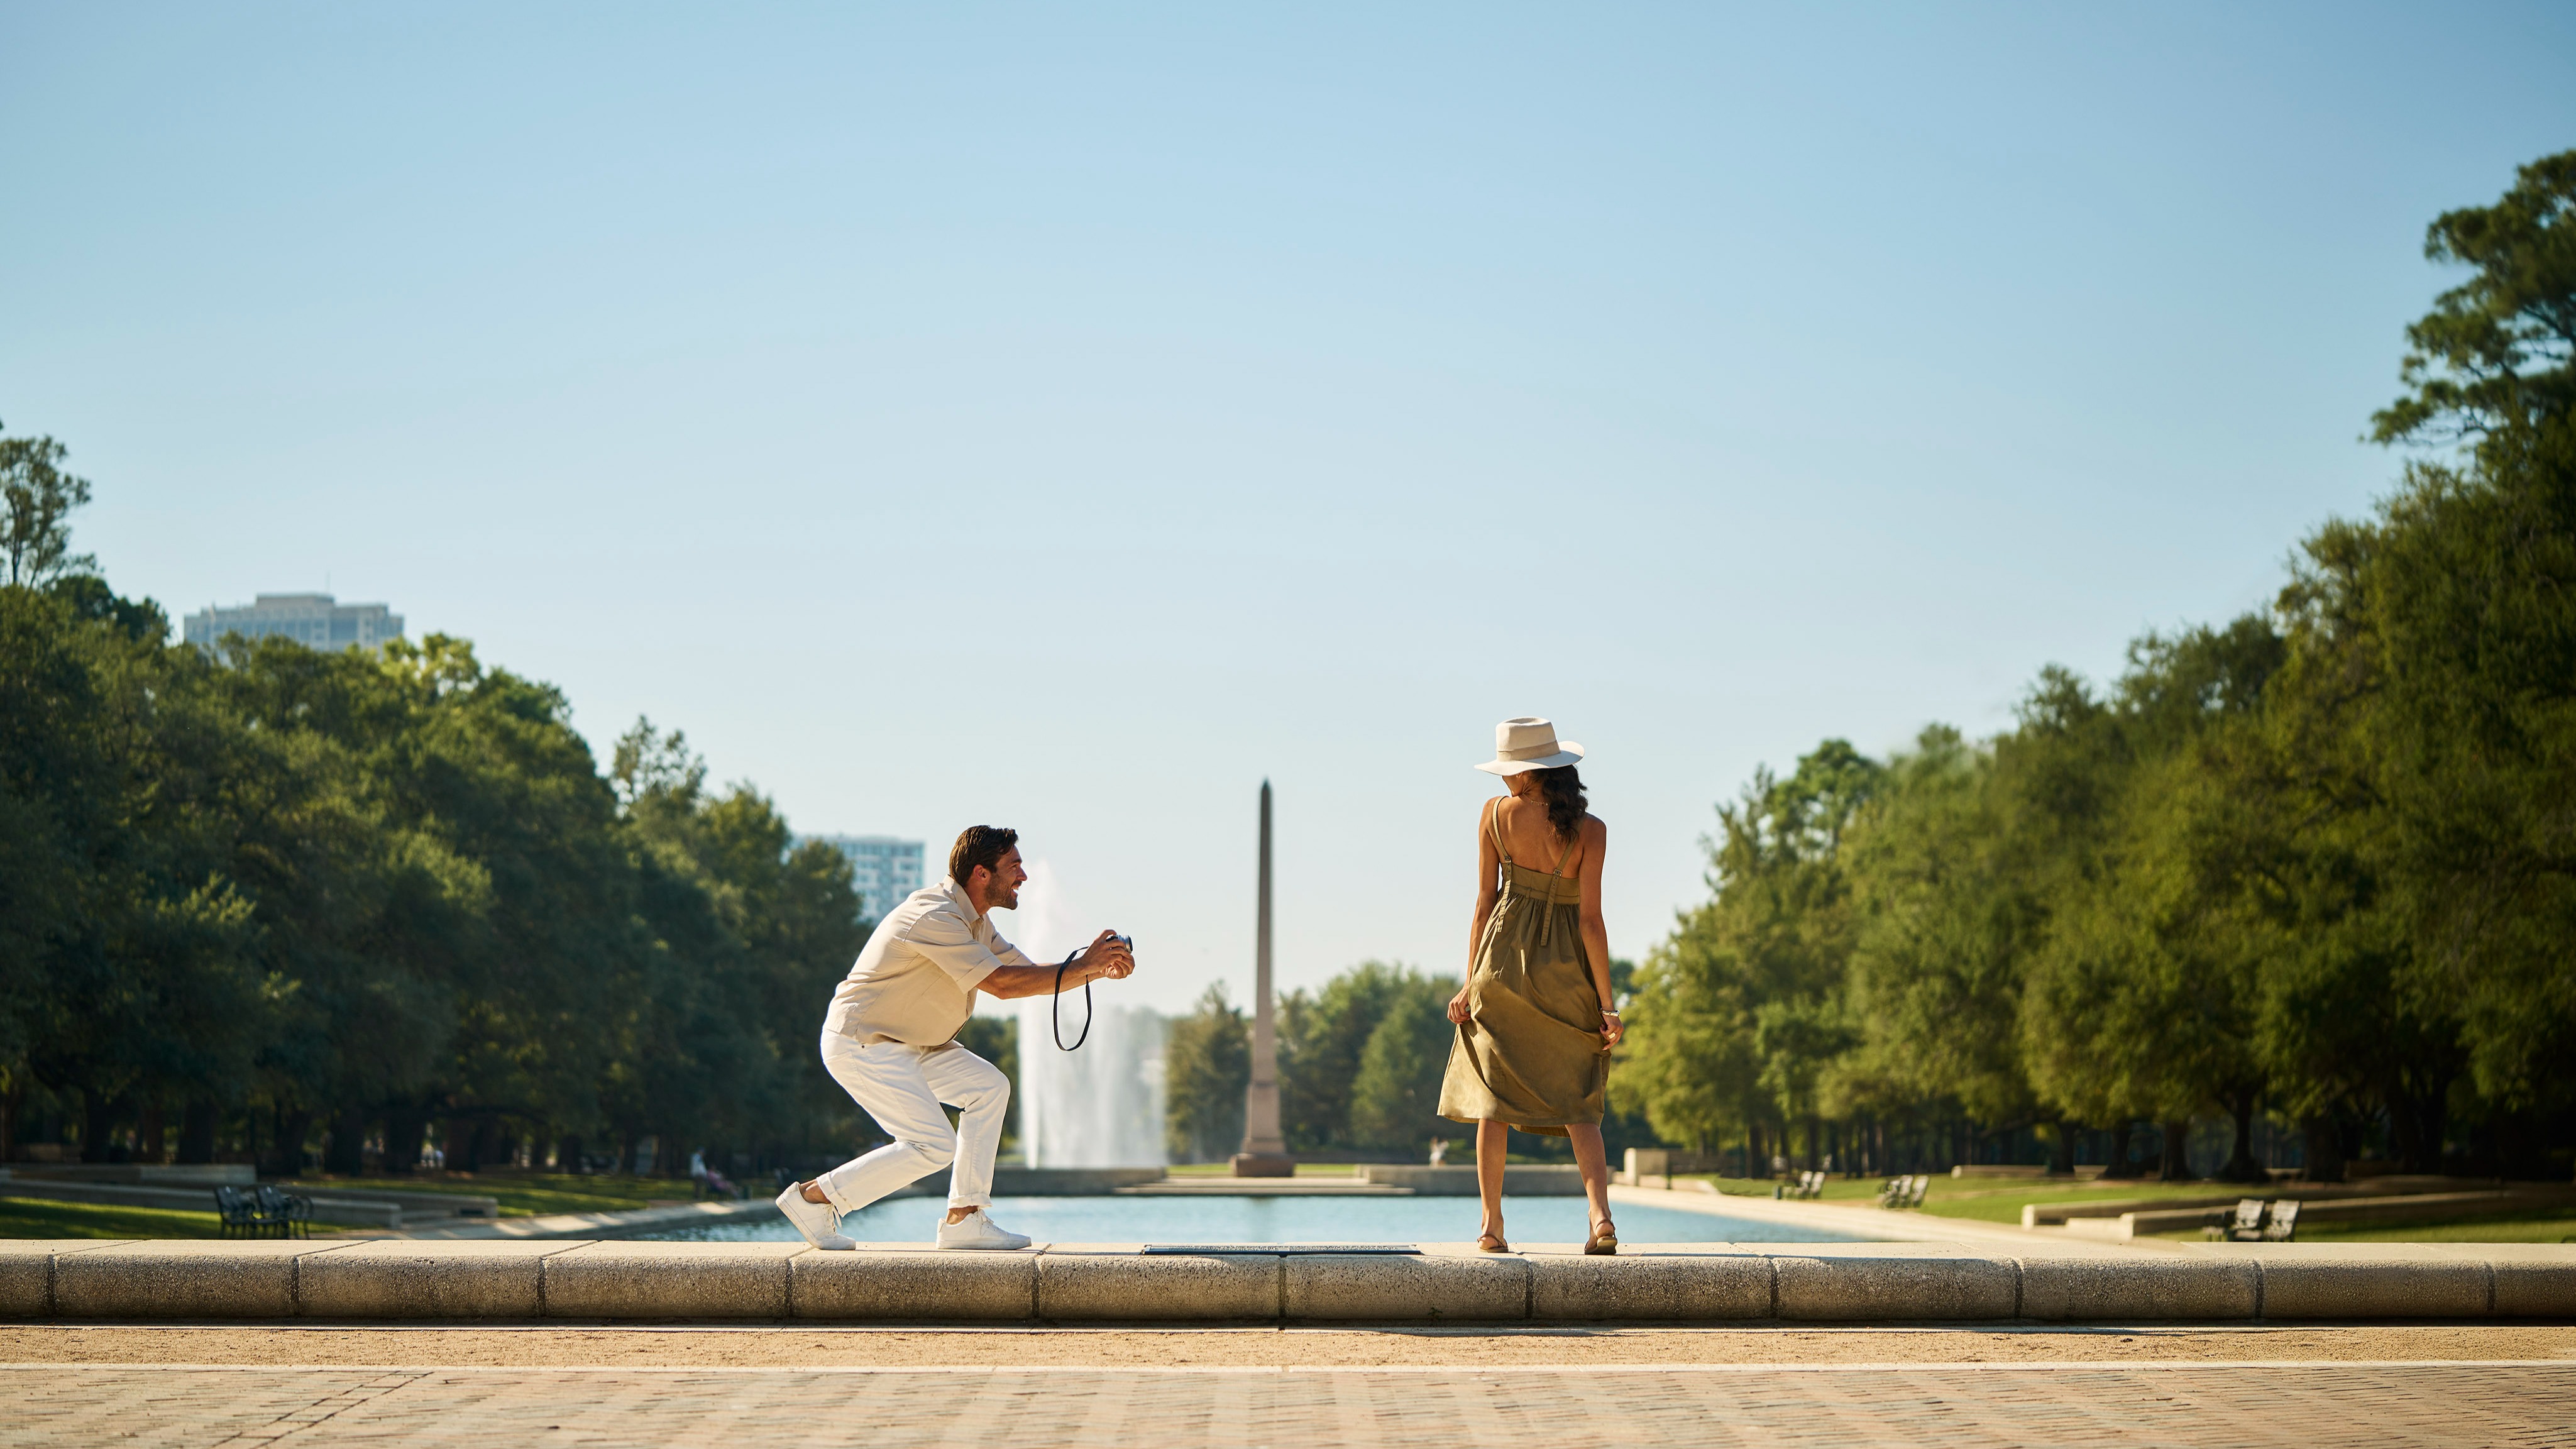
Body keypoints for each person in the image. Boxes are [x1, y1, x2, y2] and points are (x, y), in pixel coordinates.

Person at [776, 825, 1135, 1250]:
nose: (1023, 877)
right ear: (982, 874)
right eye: (1015, 867)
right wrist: (1084, 967)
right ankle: (813, 1198)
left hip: (916, 1044)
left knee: (989, 1087)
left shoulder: (977, 923)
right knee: (932, 1144)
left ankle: (964, 1218)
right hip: (862, 1041)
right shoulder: (937, 916)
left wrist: (1096, 967)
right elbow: (1002, 984)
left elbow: (1030, 974)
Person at [1436, 717, 1622, 1255]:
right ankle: (1601, 1217)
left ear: (1524, 773)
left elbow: (1483, 905)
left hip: (1500, 966)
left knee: (1490, 1094)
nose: (1502, 783)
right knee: (1578, 1097)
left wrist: (1470, 982)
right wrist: (1607, 1004)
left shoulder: (1494, 817)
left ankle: (1492, 1226)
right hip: (1566, 968)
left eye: (1507, 772)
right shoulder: (1592, 830)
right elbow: (1592, 921)